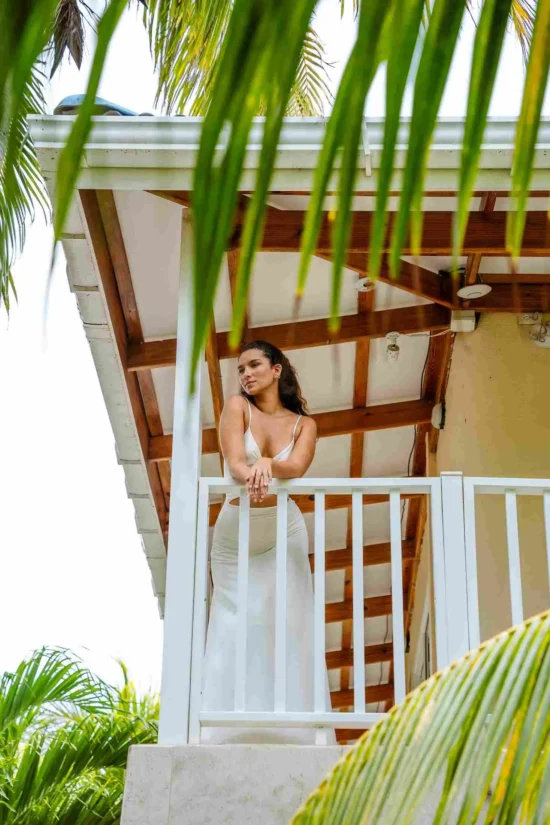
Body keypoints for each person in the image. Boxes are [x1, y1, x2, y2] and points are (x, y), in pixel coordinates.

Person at [201, 340, 335, 744]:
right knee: (232, 620)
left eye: (254, 365)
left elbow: (295, 466)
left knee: (292, 619)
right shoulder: (236, 406)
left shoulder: (303, 425)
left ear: (276, 370)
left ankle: (298, 731)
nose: (245, 374)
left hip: (284, 529)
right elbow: (234, 462)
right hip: (235, 532)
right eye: (241, 369)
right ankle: (222, 731)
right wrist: (254, 465)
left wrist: (268, 462)